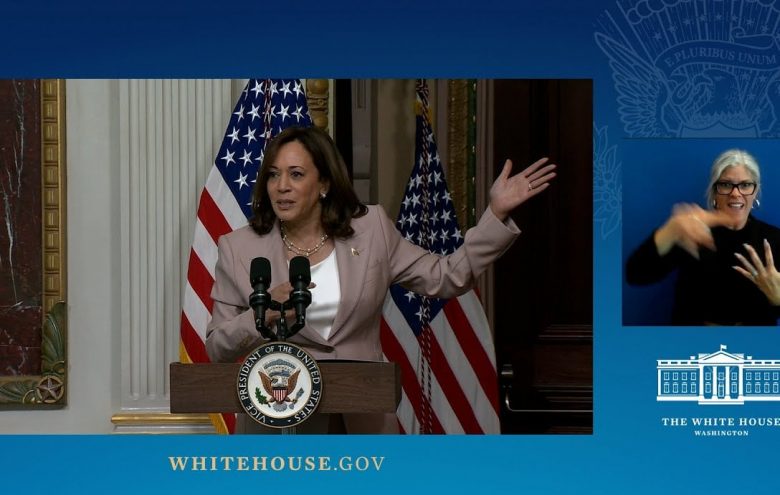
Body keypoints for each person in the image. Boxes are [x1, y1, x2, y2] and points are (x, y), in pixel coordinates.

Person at [205, 126, 557, 433]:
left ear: (324, 183)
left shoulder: (371, 230)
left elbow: (447, 276)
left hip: (363, 418)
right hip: (277, 424)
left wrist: (495, 214)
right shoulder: (239, 248)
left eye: (296, 174)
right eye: (273, 175)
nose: (282, 187)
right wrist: (263, 315)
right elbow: (217, 346)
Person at [626, 149, 780, 325]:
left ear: (755, 192)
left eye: (745, 185)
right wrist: (671, 229)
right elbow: (636, 275)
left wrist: (778, 298)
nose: (736, 193)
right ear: (714, 192)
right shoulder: (692, 231)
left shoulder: (774, 239)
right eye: (726, 184)